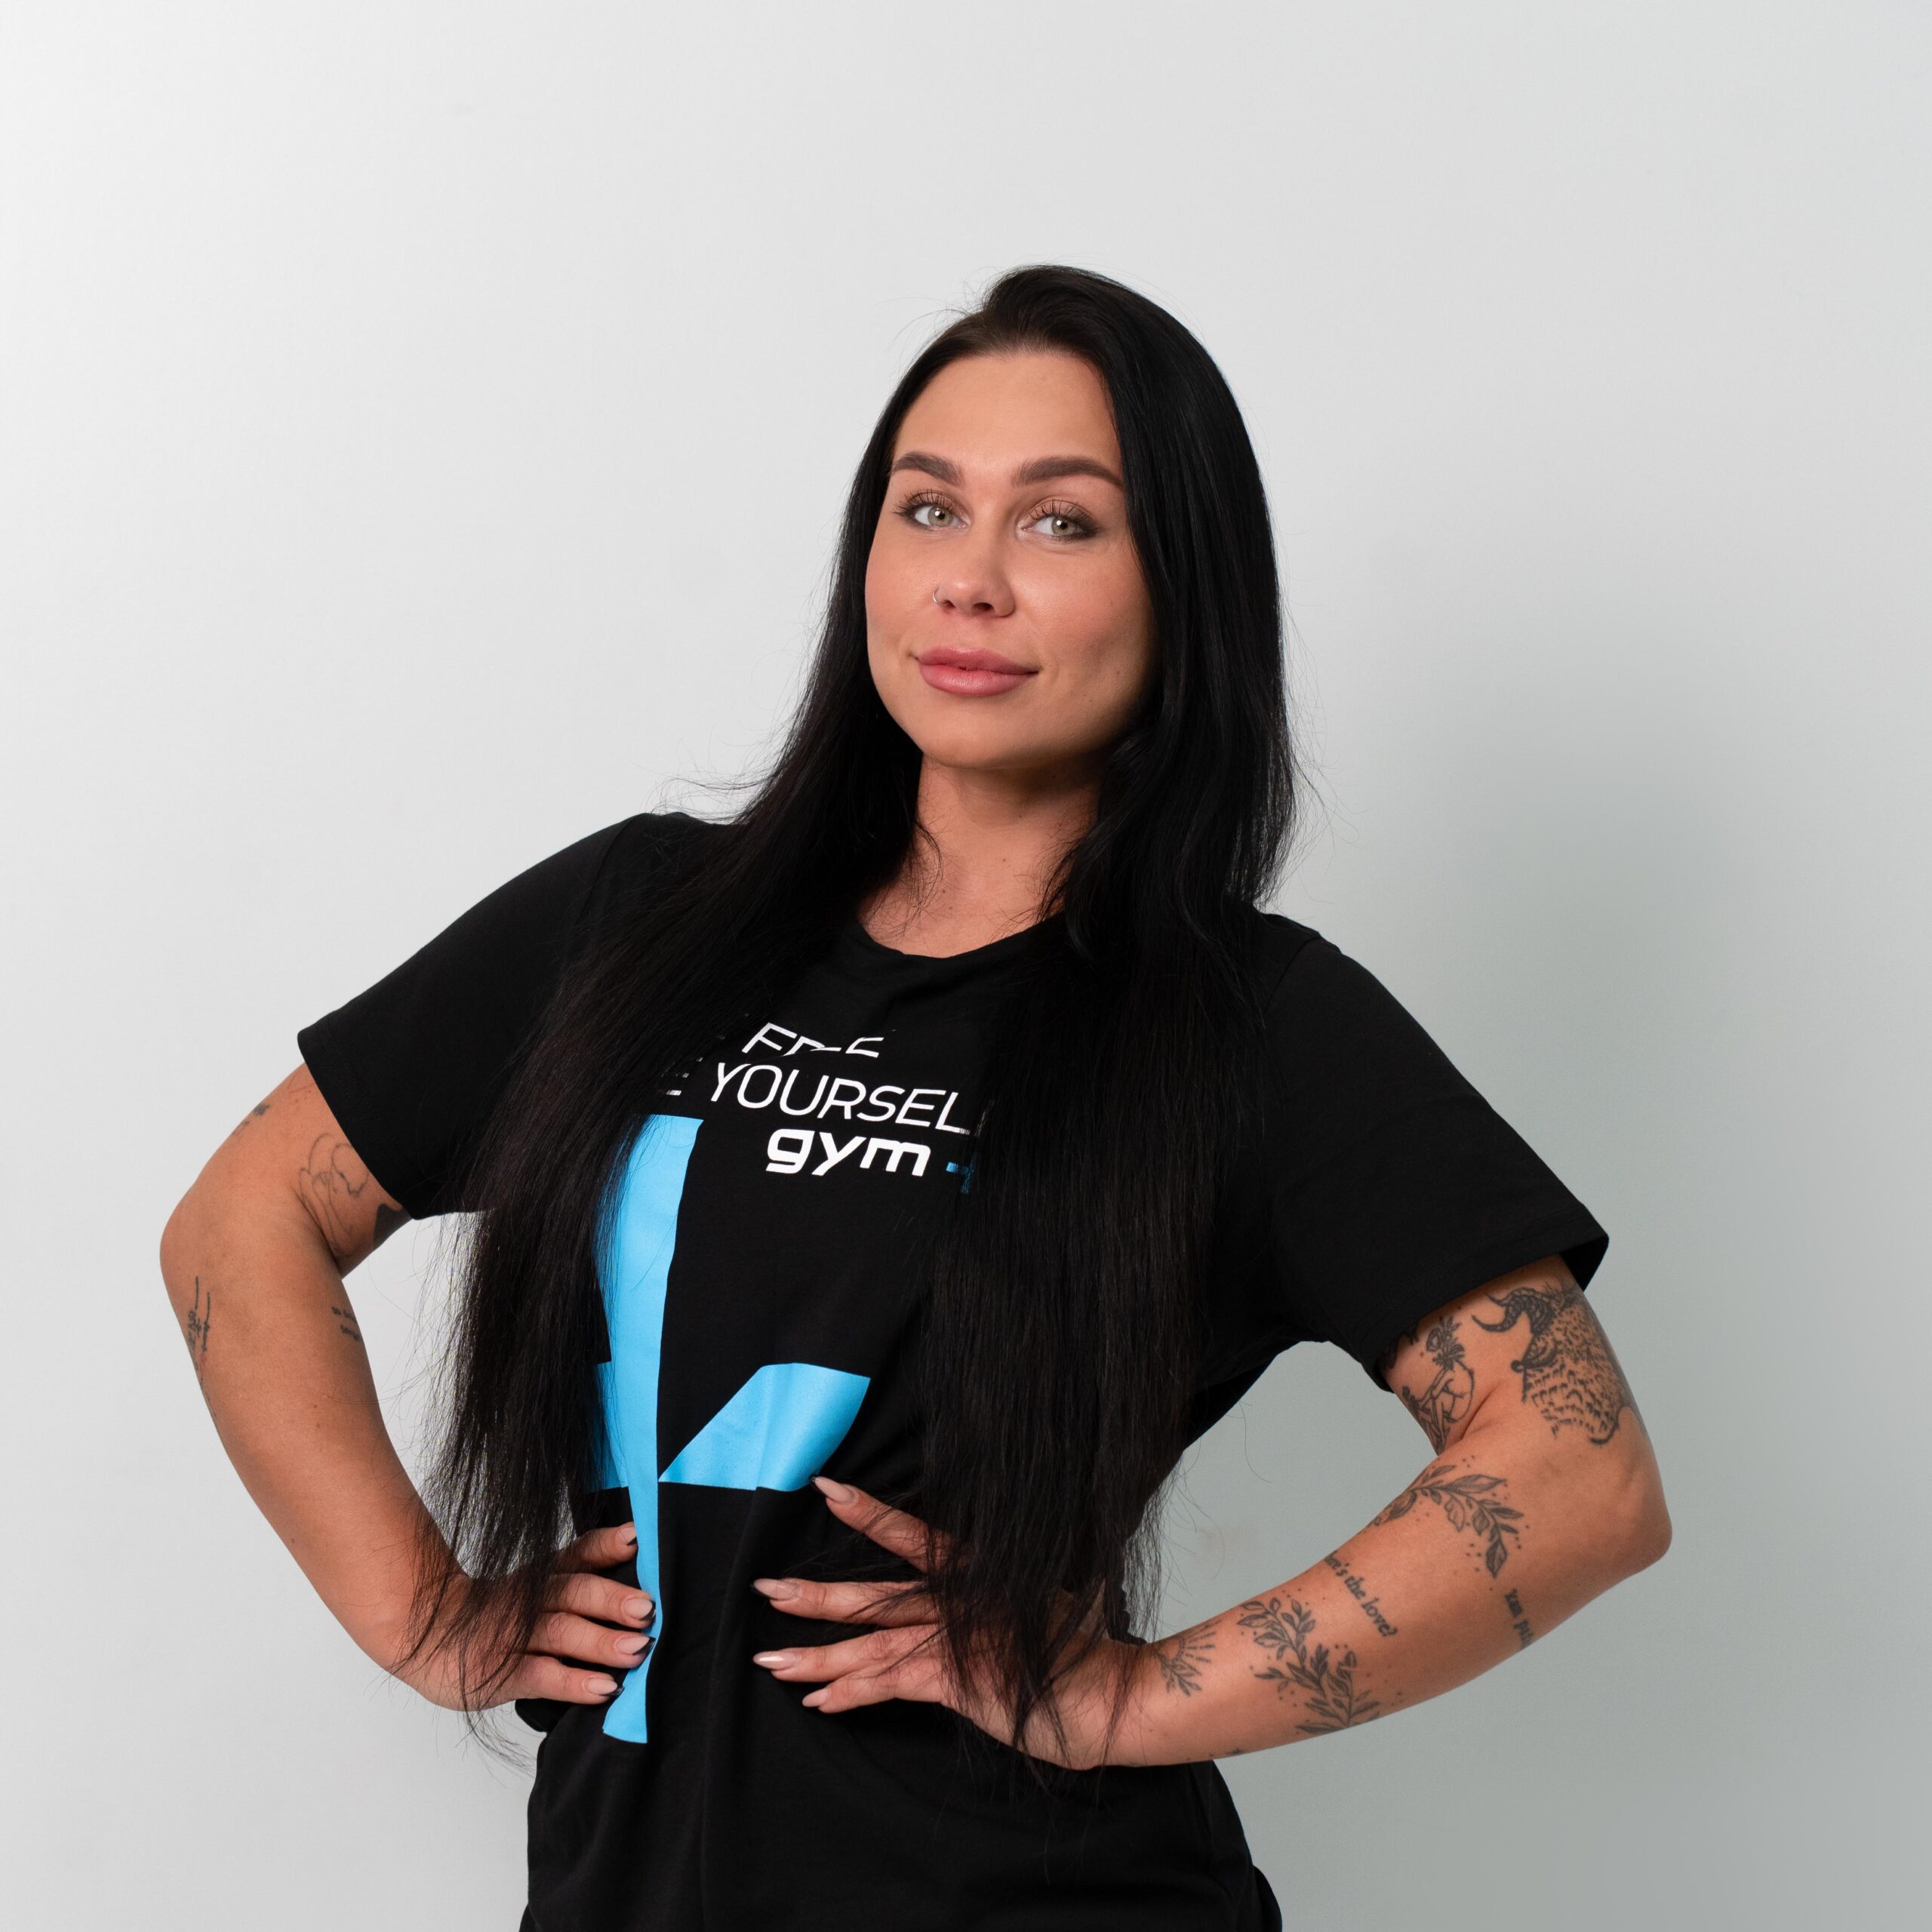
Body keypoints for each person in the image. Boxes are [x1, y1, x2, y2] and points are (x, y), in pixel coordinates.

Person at [160, 265, 1670, 1930]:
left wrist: (1131, 1695)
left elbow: (1577, 1473)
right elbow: (243, 1221)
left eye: (1061, 523)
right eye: (928, 505)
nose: (969, 578)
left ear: (1184, 587)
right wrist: (421, 1611)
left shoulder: (1250, 1026)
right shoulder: (631, 924)